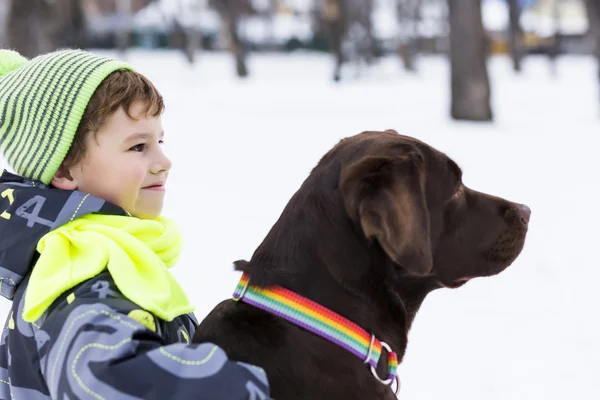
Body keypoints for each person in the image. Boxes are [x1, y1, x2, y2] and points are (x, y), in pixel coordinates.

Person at [0, 49, 270, 399]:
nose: (164, 161)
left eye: (159, 140)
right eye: (138, 146)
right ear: (65, 169)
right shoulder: (80, 269)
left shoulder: (104, 256)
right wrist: (261, 388)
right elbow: (105, 379)